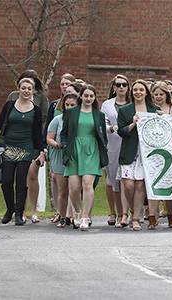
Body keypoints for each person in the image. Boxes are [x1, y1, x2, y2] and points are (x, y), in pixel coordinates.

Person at [0, 78, 44, 226]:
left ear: (33, 91)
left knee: (21, 181)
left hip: (26, 147)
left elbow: (37, 133)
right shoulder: (10, 105)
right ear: (18, 89)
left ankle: (19, 213)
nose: (26, 91)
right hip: (9, 146)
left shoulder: (36, 110)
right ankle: (9, 209)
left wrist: (41, 150)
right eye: (23, 88)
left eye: (29, 89)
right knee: (6, 181)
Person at [61, 85, 108, 231]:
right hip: (74, 150)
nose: (88, 98)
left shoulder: (98, 115)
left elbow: (103, 136)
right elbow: (64, 132)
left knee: (87, 184)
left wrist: (102, 148)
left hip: (91, 150)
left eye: (91, 96)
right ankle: (77, 211)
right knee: (74, 187)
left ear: (94, 98)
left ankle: (85, 217)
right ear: (80, 96)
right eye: (86, 95)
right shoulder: (71, 113)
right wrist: (64, 144)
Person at [5, 70, 49, 223]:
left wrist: (41, 146)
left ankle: (32, 210)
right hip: (13, 142)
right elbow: (5, 118)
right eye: (24, 82)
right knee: (13, 179)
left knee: (30, 175)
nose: (27, 88)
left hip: (32, 142)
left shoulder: (41, 99)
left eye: (31, 83)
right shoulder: (12, 97)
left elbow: (44, 121)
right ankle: (18, 211)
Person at [117, 80, 159, 231]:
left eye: (141, 89)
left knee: (140, 185)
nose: (138, 92)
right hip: (129, 151)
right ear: (132, 92)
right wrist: (133, 124)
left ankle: (135, 219)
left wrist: (160, 119)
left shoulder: (154, 110)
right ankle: (133, 210)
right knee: (128, 184)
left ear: (146, 92)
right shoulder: (125, 110)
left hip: (146, 153)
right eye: (135, 90)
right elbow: (121, 131)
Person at [149, 81, 172, 229]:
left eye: (161, 94)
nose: (158, 97)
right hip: (153, 152)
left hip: (171, 152)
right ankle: (152, 216)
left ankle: (170, 214)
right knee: (153, 184)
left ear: (166, 95)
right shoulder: (149, 109)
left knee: (169, 183)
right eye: (156, 94)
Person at [101, 74, 130, 227]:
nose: (121, 87)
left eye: (124, 85)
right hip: (112, 144)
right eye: (118, 85)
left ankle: (126, 213)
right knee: (113, 180)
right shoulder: (107, 104)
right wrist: (111, 128)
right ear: (113, 87)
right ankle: (116, 212)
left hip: (130, 144)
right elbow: (102, 123)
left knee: (128, 180)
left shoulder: (132, 103)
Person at [47, 73, 76, 223]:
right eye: (67, 105)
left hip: (75, 157)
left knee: (74, 188)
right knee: (62, 190)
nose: (70, 107)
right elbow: (49, 137)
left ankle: (72, 215)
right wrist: (56, 145)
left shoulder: (80, 120)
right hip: (59, 156)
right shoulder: (57, 120)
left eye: (73, 105)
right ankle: (62, 214)